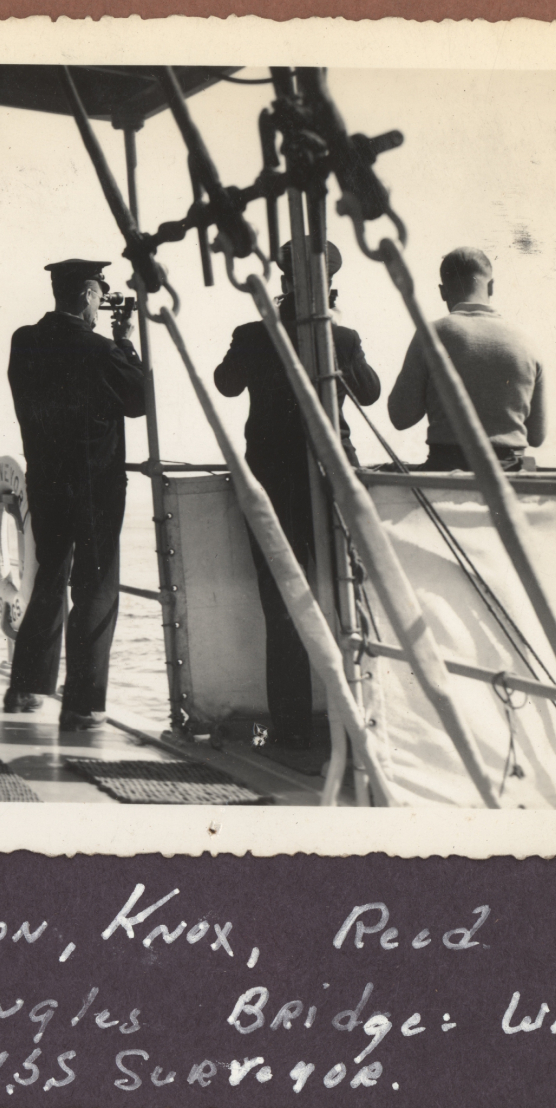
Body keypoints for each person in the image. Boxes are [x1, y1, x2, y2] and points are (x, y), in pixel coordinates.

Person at [214, 241, 381, 750]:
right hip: (332, 476)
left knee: (282, 597)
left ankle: (288, 728)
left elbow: (224, 383)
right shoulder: (342, 336)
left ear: (283, 283)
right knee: (350, 595)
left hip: (271, 479)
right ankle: (356, 723)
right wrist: (327, 332)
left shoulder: (253, 334)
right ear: (328, 288)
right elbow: (370, 392)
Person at [4, 259, 146, 731]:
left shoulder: (24, 341)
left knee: (48, 580)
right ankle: (82, 705)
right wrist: (126, 340)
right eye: (99, 297)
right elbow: (139, 401)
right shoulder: (102, 350)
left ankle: (25, 688)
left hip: (46, 480)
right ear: (87, 295)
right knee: (96, 587)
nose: (101, 306)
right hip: (96, 486)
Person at [387, 247, 546, 471]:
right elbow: (537, 436)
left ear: (443, 292)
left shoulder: (431, 334)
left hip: (448, 468)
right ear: (491, 286)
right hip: (510, 473)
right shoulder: (526, 340)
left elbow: (400, 417)